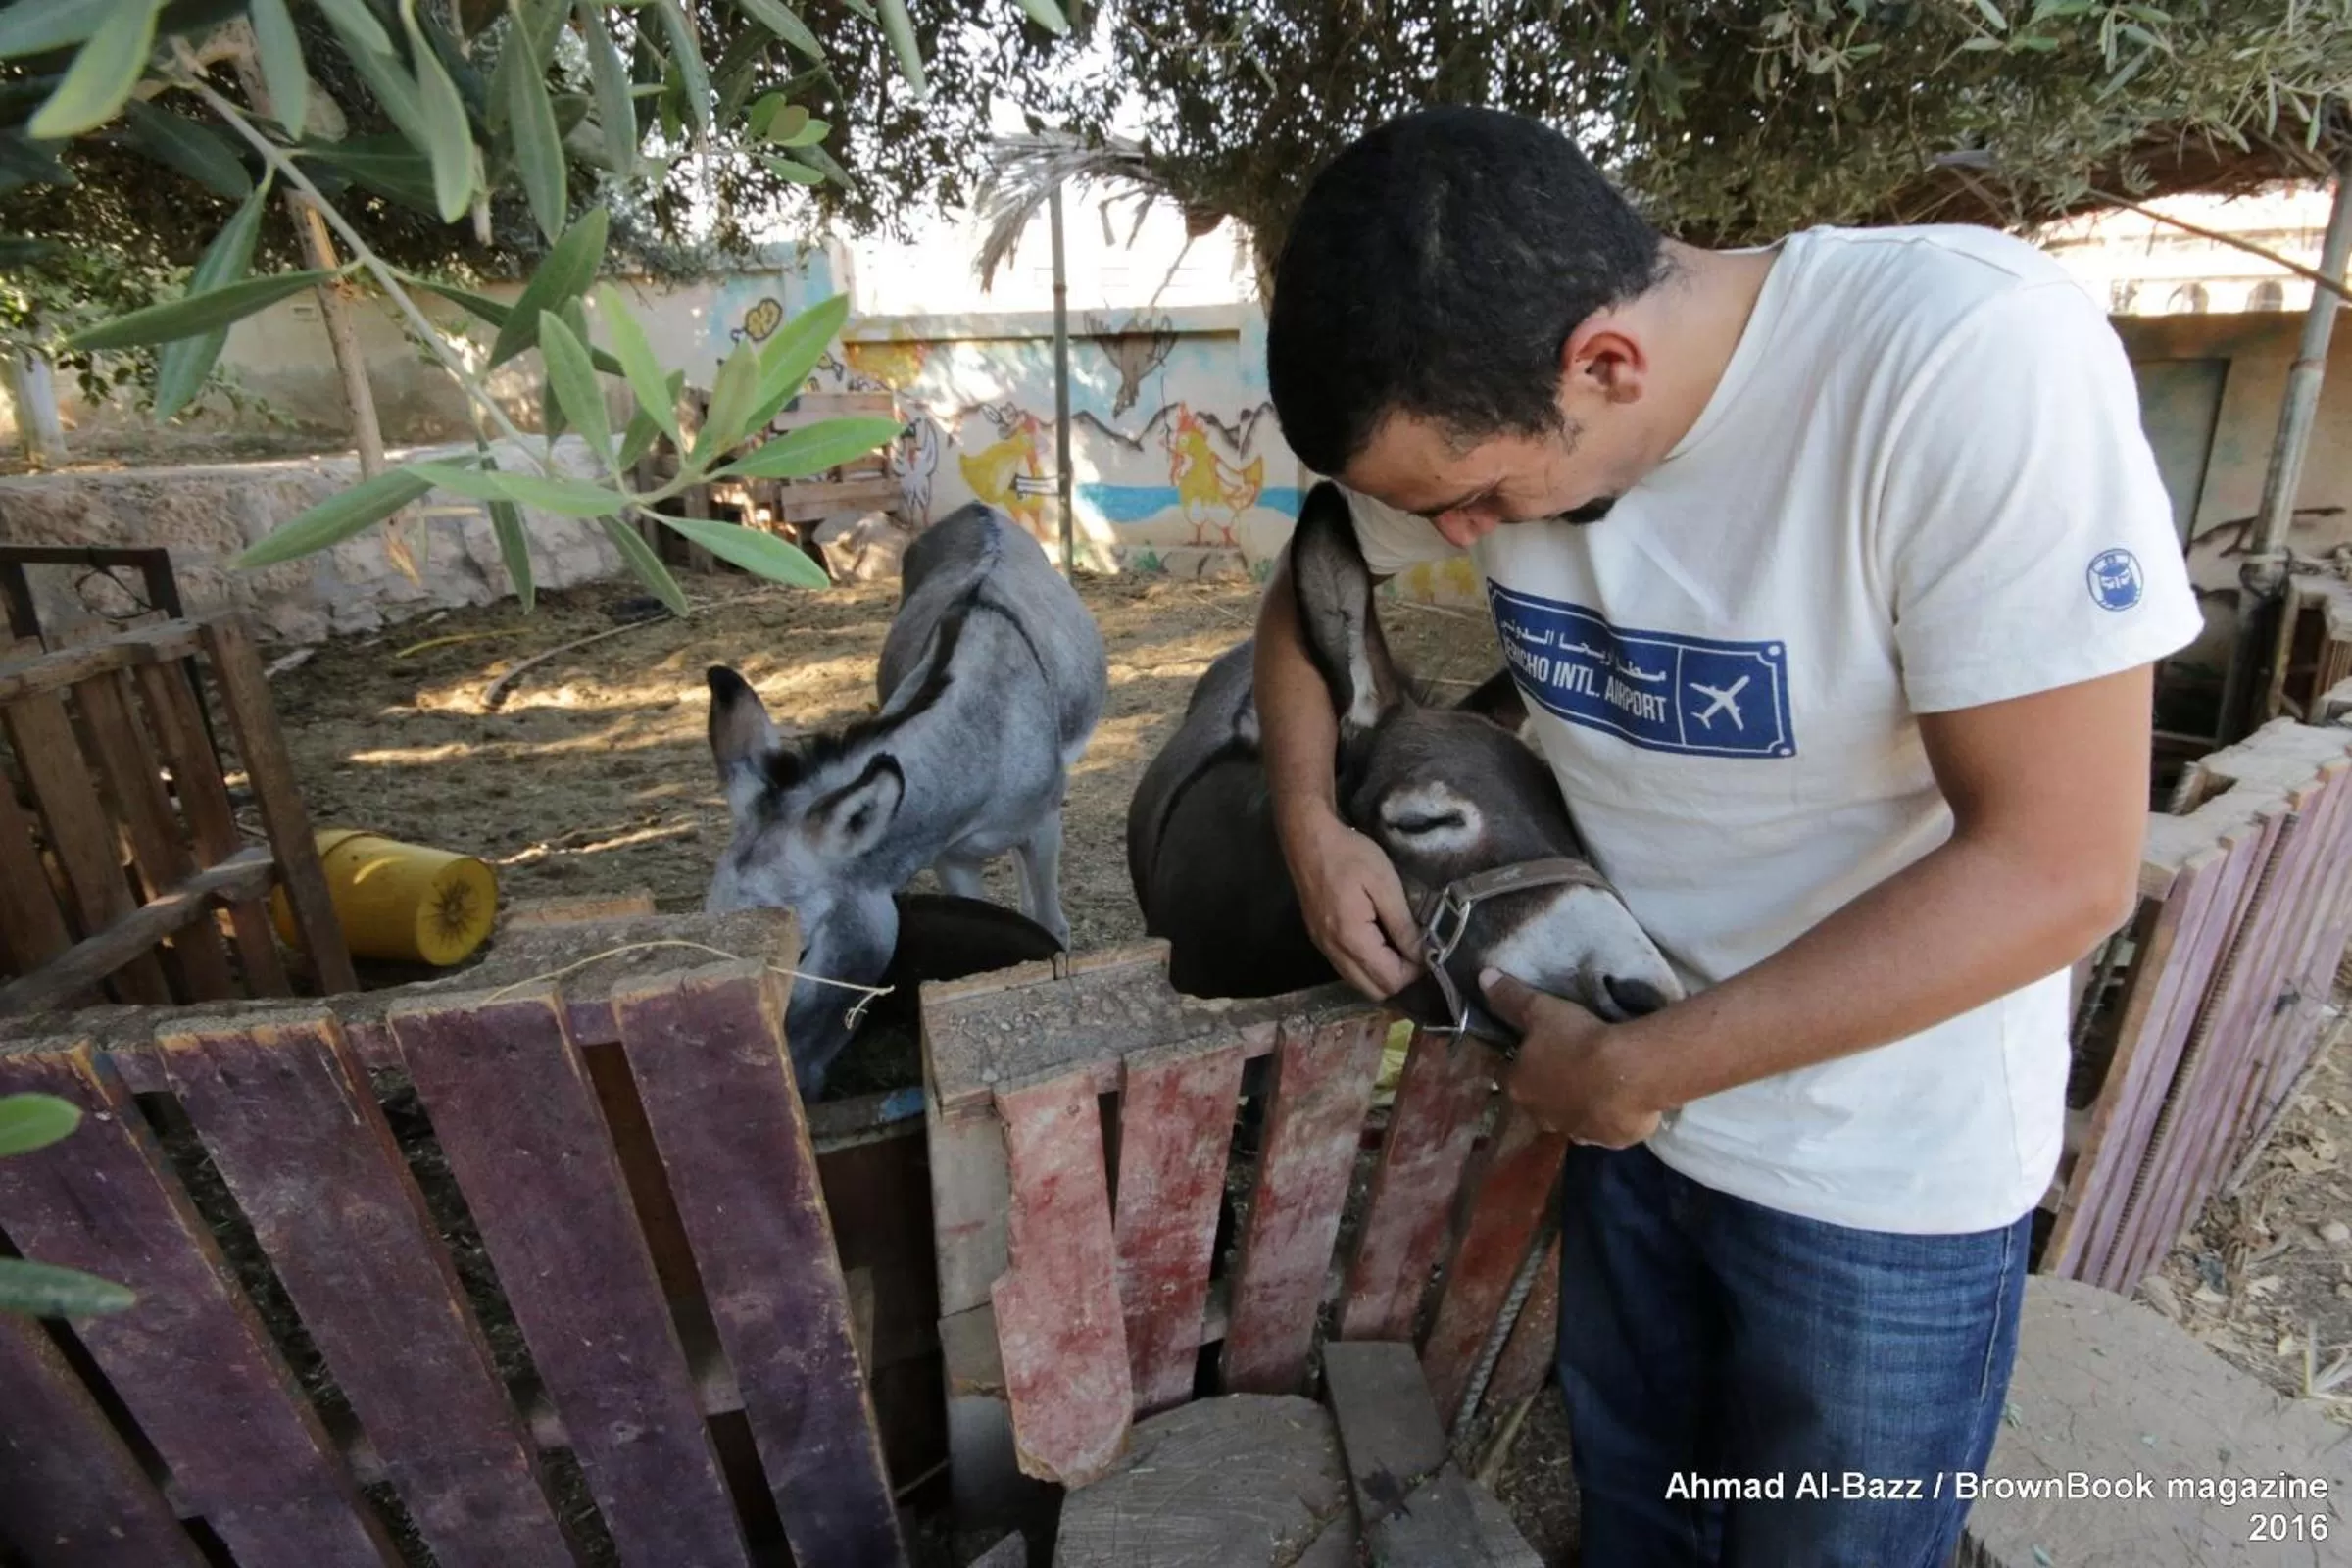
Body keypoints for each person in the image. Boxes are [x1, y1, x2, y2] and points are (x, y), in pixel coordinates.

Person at [1252, 106, 2202, 1567]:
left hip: (1880, 1180)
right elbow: (1313, 587)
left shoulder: (1963, 363)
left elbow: (2061, 867)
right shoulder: (1493, 406)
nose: (1461, 541)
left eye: (1479, 501)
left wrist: (1641, 1068)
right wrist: (1311, 818)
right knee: (1647, 1525)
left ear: (1606, 363)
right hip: (1629, 1123)